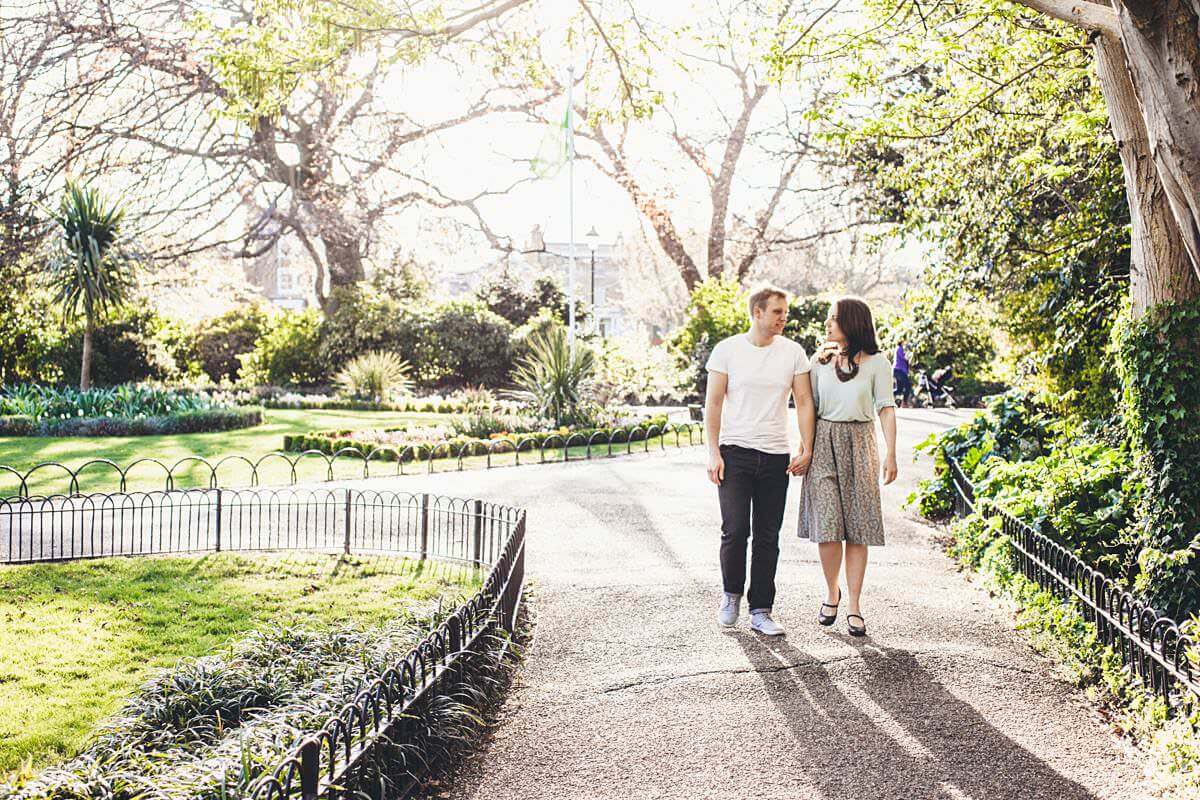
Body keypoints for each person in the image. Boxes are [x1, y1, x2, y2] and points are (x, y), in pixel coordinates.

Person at [705, 286, 816, 636]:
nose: (784, 317)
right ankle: (731, 596)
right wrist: (713, 451)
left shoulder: (794, 353)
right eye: (778, 312)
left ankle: (761, 610)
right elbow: (714, 404)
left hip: (774, 456)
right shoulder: (727, 351)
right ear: (757, 312)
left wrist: (806, 447)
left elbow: (804, 401)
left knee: (768, 536)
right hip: (734, 453)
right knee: (735, 531)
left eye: (785, 311)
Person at [795, 296, 898, 637]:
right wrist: (806, 449)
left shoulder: (878, 363)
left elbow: (885, 407)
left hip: (860, 443)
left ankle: (854, 602)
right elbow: (807, 406)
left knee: (857, 527)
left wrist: (891, 453)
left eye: (834, 318)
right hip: (824, 441)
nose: (828, 323)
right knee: (827, 525)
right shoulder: (820, 361)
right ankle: (831, 592)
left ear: (852, 322)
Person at [893, 341, 913, 407]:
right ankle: (904, 403)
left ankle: (886, 396)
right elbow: (905, 358)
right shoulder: (899, 348)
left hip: (899, 370)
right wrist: (910, 354)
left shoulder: (901, 348)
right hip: (899, 370)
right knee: (908, 386)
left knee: (899, 390)